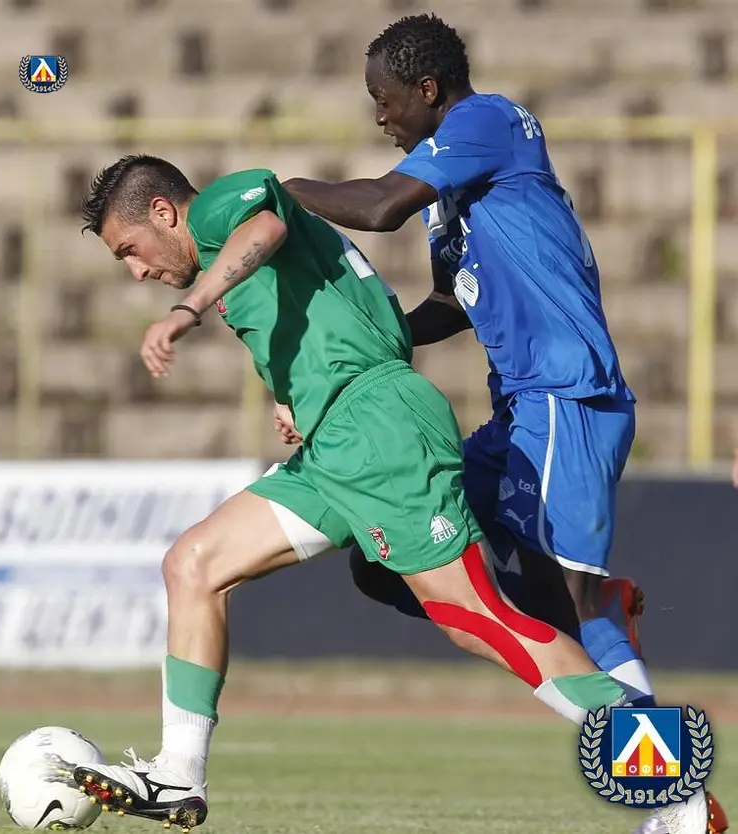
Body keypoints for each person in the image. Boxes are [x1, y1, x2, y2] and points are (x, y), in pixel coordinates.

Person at [71, 154, 632, 832]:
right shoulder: (242, 256)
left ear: (163, 212)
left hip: (376, 432)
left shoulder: (219, 206)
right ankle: (178, 776)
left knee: (480, 619)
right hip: (337, 440)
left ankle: (663, 767)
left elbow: (265, 229)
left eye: (130, 250)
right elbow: (363, 317)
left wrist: (187, 310)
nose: (136, 271)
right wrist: (299, 395)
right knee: (193, 565)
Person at [281, 14, 726, 834]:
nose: (378, 116)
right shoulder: (453, 197)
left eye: (384, 99)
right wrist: (364, 348)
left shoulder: (485, 121)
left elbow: (378, 206)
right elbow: (451, 303)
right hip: (517, 413)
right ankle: (600, 613)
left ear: (428, 89)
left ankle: (676, 798)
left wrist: (277, 191)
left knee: (570, 606)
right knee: (385, 565)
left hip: (565, 395)